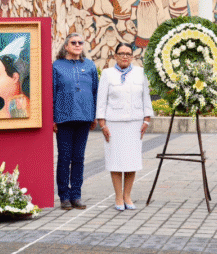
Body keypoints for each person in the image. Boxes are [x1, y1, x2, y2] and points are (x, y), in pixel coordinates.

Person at [96, 43, 153, 211]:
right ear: (115, 56)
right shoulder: (107, 74)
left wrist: (146, 120)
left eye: (128, 53)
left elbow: (146, 98)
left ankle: (127, 195)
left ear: (133, 56)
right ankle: (118, 197)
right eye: (121, 53)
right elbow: (101, 100)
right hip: (113, 124)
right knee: (115, 162)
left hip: (135, 123)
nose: (125, 56)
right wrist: (102, 124)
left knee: (131, 162)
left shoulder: (140, 73)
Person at [52, 32, 99, 210]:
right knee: (64, 158)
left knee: (79, 157)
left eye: (80, 42)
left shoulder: (90, 66)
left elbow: (96, 92)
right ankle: (64, 196)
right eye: (74, 42)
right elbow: (52, 93)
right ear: (66, 46)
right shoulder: (57, 66)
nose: (78, 45)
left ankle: (76, 195)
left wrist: (94, 115)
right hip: (64, 118)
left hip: (84, 117)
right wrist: (52, 119)